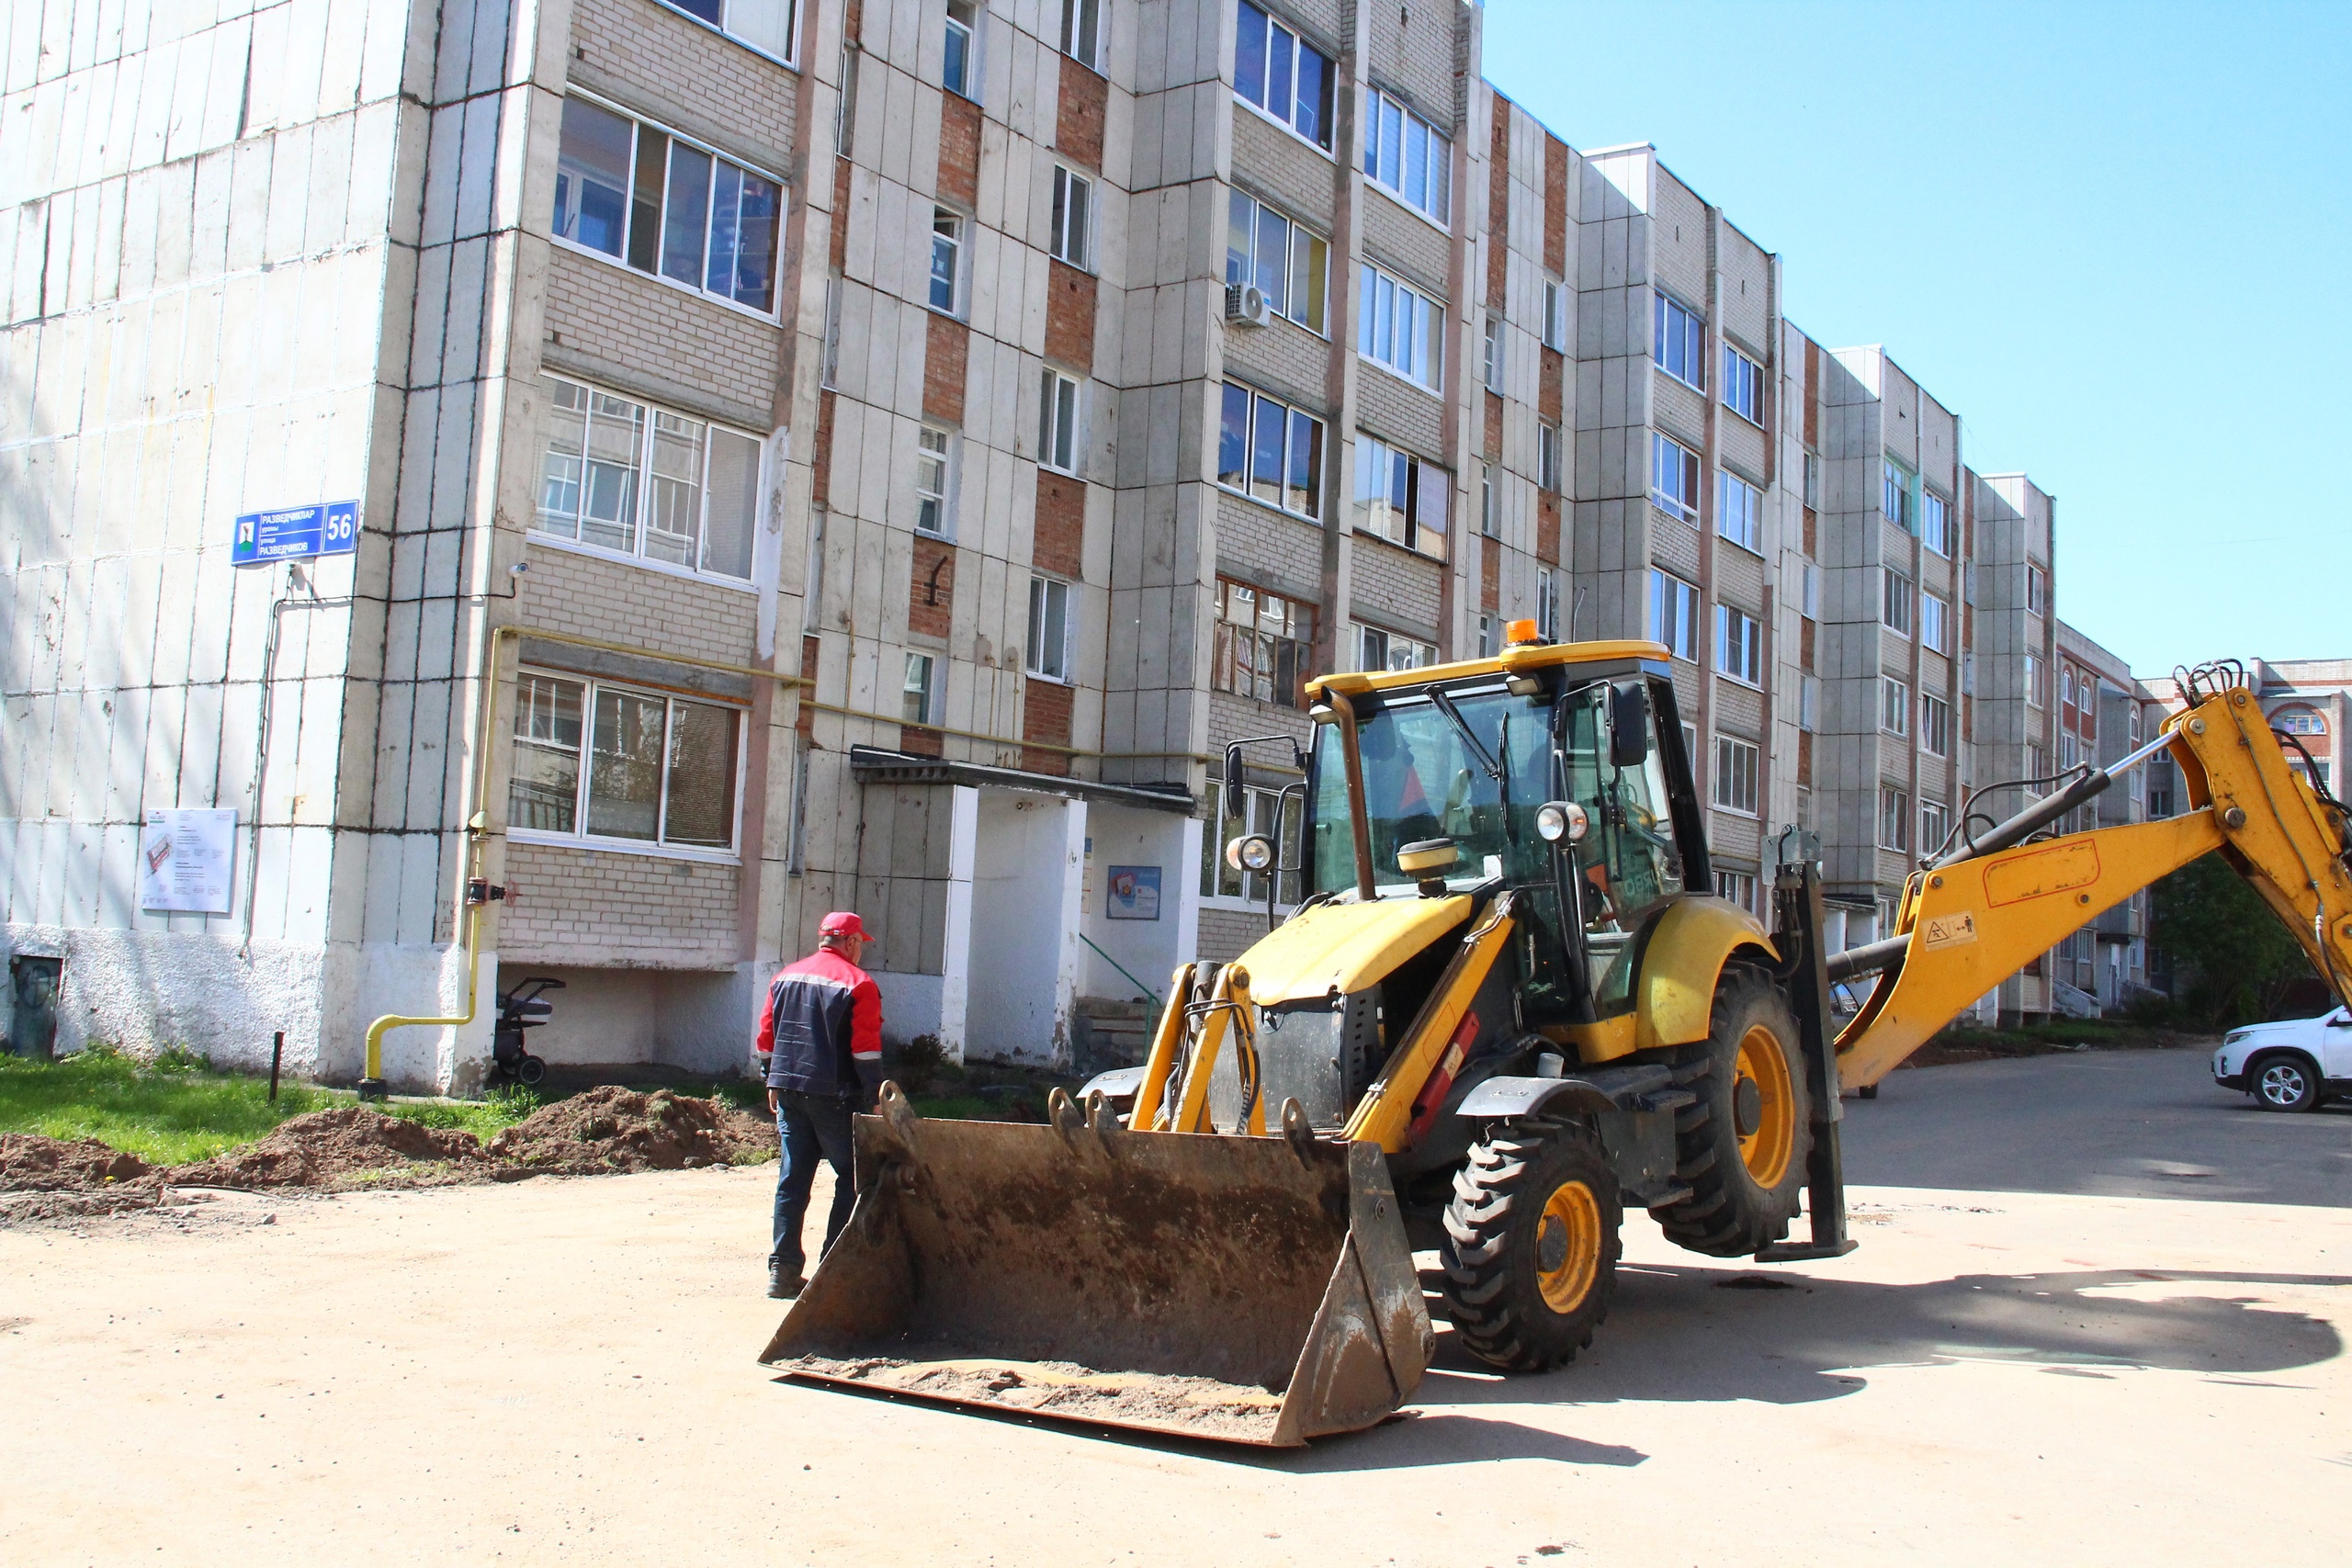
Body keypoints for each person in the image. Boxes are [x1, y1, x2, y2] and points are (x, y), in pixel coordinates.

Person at [757, 910, 884, 1299]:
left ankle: (782, 1271)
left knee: (793, 1181)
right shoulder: (859, 984)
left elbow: (766, 1038)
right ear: (850, 943)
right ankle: (832, 1268)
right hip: (834, 1096)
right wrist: (875, 1097)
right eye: (859, 943)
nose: (860, 951)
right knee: (853, 1177)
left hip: (790, 1091)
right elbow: (864, 1051)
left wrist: (771, 1079)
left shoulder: (784, 976)